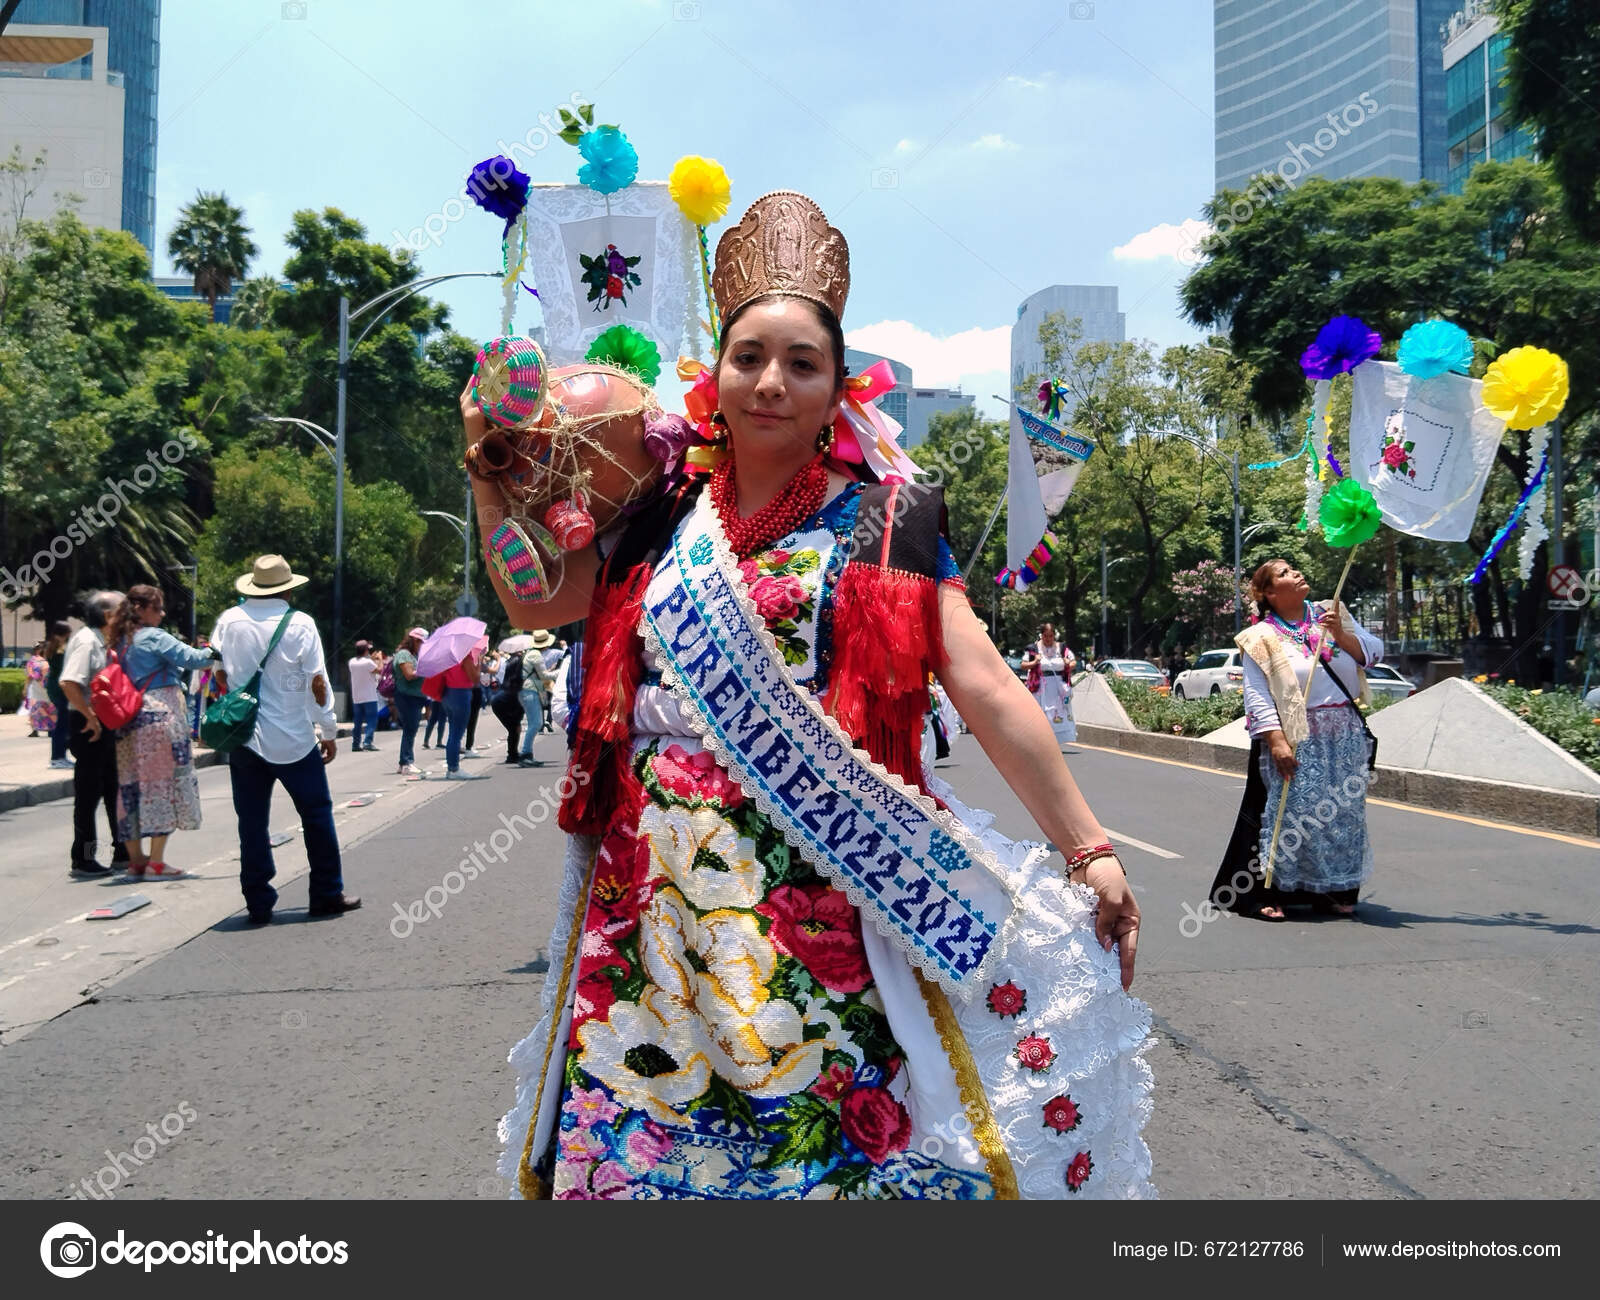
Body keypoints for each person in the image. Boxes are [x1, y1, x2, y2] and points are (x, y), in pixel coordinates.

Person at [479, 191, 1151, 1200]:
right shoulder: (657, 512)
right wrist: (487, 475)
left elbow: (979, 681)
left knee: (814, 1136)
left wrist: (1086, 845)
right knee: (647, 1134)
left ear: (838, 386)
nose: (771, 381)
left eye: (802, 363)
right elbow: (544, 597)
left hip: (819, 877)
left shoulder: (889, 521)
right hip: (650, 883)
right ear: (716, 374)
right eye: (750, 356)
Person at [1209, 559, 1384, 921]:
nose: (1297, 574)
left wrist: (1343, 636)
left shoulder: (1331, 613)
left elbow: (1374, 653)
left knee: (1340, 814)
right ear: (1270, 593)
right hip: (1296, 734)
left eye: (1295, 569)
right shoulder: (1261, 637)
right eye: (1285, 574)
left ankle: (1331, 890)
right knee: (1288, 815)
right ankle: (1263, 893)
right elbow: (1256, 694)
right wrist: (1275, 740)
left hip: (1343, 731)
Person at [211, 554, 359, 924]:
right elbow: (318, 682)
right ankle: (326, 893)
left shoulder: (229, 620)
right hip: (294, 738)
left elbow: (218, 676)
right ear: (289, 588)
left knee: (252, 822)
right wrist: (327, 731)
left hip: (245, 738)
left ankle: (258, 902)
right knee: (317, 815)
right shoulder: (301, 623)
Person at [107, 584, 216, 880]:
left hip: (127, 722)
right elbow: (196, 659)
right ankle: (157, 861)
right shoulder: (153, 637)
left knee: (130, 787)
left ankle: (136, 861)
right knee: (161, 787)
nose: (163, 613)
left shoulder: (118, 641)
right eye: (158, 608)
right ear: (142, 609)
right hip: (159, 718)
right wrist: (218, 647)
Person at [59, 591, 128, 878]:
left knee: (113, 788)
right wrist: (90, 717)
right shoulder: (87, 642)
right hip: (88, 725)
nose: (129, 615)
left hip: (103, 723)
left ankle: (122, 852)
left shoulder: (104, 642)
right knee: (88, 794)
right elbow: (69, 682)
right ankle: (83, 858)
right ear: (108, 615)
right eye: (123, 610)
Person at [424, 642, 488, 780]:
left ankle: (451, 767)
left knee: (453, 732)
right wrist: (479, 660)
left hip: (447, 693)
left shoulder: (448, 654)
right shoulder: (465, 655)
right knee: (457, 733)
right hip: (461, 693)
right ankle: (454, 768)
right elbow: (475, 678)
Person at [1019, 622, 1077, 746]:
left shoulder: (1062, 648)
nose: (1048, 639)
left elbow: (1073, 663)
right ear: (1042, 635)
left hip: (1058, 687)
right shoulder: (1033, 649)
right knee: (1041, 713)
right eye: (1046, 636)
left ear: (1054, 636)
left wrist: (1067, 663)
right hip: (1040, 687)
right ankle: (1040, 740)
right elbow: (1023, 665)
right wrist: (1035, 662)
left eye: (1051, 636)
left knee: (1056, 713)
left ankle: (1055, 741)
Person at [392, 628, 428, 775]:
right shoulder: (404, 654)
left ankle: (404, 763)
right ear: (414, 640)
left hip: (415, 697)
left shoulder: (415, 655)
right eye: (421, 642)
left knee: (411, 729)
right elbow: (408, 675)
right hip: (407, 697)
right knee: (410, 729)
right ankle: (407, 762)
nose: (422, 645)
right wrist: (425, 668)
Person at [517, 630, 555, 766]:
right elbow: (544, 675)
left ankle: (527, 754)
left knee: (535, 723)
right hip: (530, 690)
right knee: (536, 723)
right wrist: (560, 673)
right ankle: (525, 754)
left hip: (526, 690)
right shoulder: (535, 655)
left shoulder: (530, 653)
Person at [491, 641, 528, 765]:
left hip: (501, 699)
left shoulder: (510, 661)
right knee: (514, 728)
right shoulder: (519, 661)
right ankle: (512, 755)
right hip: (507, 699)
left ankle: (512, 754)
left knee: (514, 728)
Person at [43, 622, 73, 768]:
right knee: (62, 725)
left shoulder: (51, 647)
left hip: (54, 688)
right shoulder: (61, 652)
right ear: (65, 633)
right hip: (61, 689)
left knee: (61, 724)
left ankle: (60, 755)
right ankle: (57, 757)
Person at [347, 639, 381, 752]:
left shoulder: (352, 662)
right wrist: (379, 659)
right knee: (372, 720)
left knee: (357, 722)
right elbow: (379, 670)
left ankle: (355, 744)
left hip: (357, 697)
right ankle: (367, 742)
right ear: (366, 650)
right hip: (369, 696)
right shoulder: (368, 663)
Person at [23, 640, 56, 737]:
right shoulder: (48, 661)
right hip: (44, 687)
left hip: (38, 687)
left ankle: (38, 729)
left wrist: (25, 688)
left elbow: (29, 676)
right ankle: (47, 729)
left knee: (37, 708)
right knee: (45, 708)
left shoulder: (33, 661)